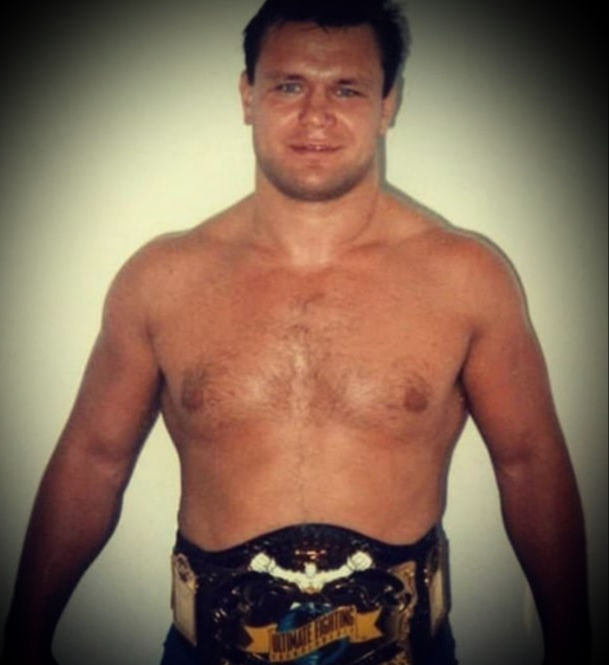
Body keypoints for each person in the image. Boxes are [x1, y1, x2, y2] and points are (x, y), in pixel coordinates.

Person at [2, 1, 590, 664]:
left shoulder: (467, 277)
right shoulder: (162, 279)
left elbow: (528, 463)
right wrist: (23, 637)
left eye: (346, 89)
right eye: (288, 86)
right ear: (247, 95)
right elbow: (93, 461)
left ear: (388, 104)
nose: (315, 116)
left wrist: (570, 644)